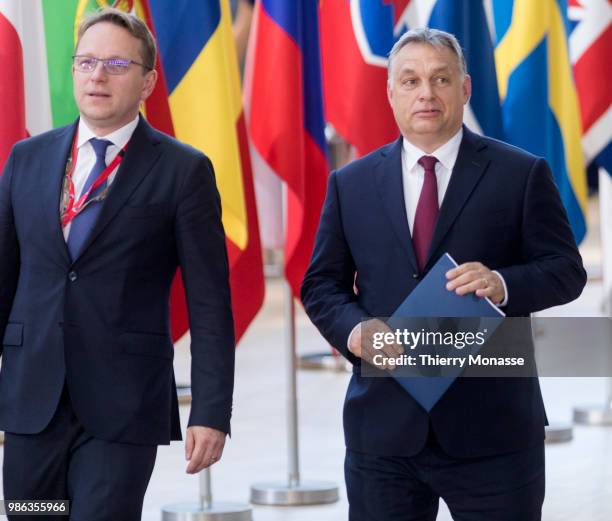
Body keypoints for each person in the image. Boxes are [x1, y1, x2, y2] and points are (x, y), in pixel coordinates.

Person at [301, 28, 586, 521]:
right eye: (410, 80)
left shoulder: (520, 174)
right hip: (383, 432)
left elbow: (565, 271)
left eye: (440, 78)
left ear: (465, 88)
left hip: (493, 431)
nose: (426, 93)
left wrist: (503, 283)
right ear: (391, 92)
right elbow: (321, 285)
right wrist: (355, 330)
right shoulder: (350, 184)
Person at [0, 8, 234, 520]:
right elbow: (3, 280)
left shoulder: (183, 171)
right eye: (86, 62)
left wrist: (213, 411)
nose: (97, 76)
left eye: (115, 64)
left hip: (123, 406)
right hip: (30, 404)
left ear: (148, 80)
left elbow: (210, 303)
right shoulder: (27, 159)